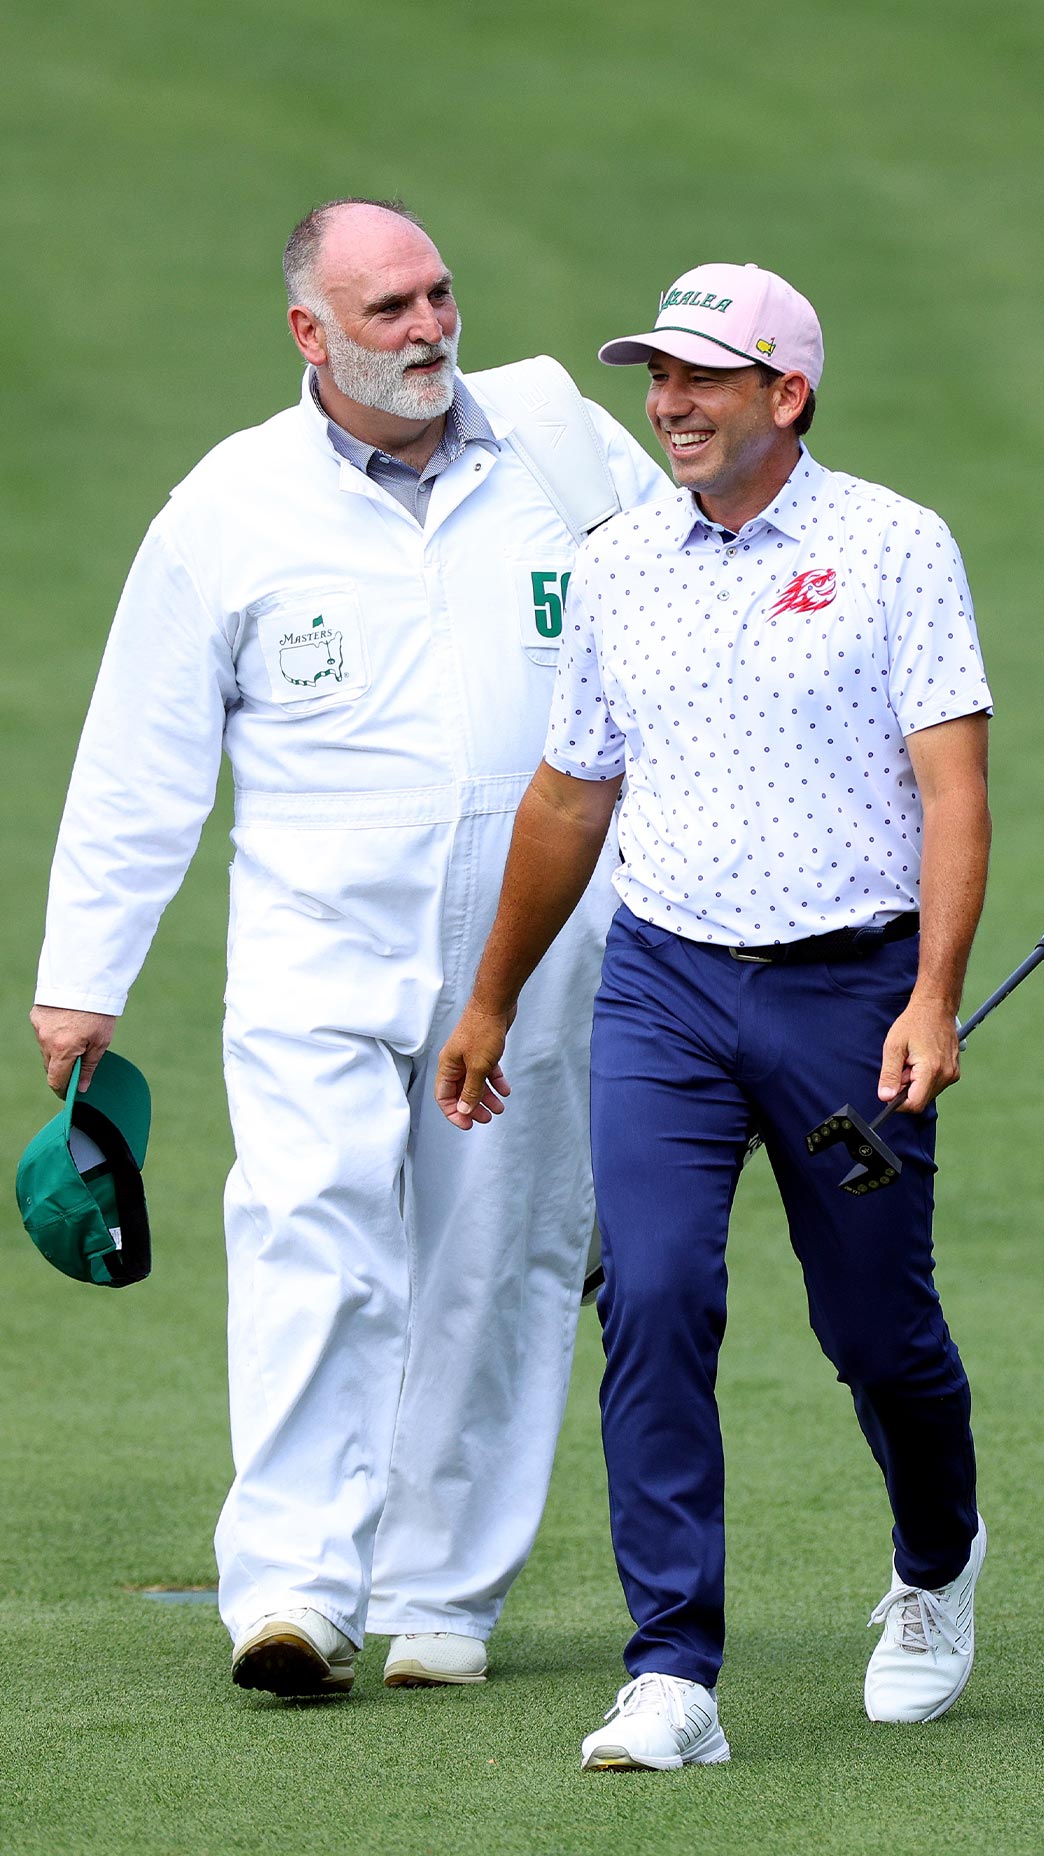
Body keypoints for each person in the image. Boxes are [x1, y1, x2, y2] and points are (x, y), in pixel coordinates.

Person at [29, 197, 666, 1698]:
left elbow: (686, 617)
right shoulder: (229, 508)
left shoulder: (563, 447)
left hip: (533, 947)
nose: (432, 328)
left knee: (497, 1256)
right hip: (319, 942)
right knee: (311, 1236)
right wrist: (84, 977)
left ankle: (444, 1593)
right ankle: (297, 1593)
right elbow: (142, 757)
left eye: (440, 294)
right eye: (389, 309)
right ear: (310, 334)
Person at [436, 261, 993, 1768]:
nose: (666, 405)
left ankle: (938, 1562)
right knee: (657, 1297)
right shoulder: (619, 560)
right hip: (666, 986)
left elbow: (953, 789)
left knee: (878, 1333)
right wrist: (490, 996)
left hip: (850, 990)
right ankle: (673, 1669)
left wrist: (933, 998)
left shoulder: (894, 546)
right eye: (655, 379)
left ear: (784, 394)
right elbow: (569, 794)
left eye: (699, 379)